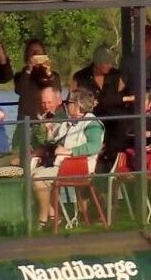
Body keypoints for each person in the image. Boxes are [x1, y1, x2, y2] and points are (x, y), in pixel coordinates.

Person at [31, 88, 104, 229]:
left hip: (78, 167)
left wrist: (69, 151)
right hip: (62, 165)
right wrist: (47, 129)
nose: (66, 105)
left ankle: (43, 219)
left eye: (69, 102)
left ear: (78, 105)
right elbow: (51, 142)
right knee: (32, 174)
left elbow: (94, 146)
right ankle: (53, 216)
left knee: (39, 180)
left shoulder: (92, 124)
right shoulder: (69, 122)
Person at [72, 45, 131, 172]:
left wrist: (120, 100)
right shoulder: (81, 76)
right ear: (97, 63)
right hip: (90, 120)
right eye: (107, 63)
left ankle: (114, 166)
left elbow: (124, 95)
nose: (110, 66)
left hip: (114, 122)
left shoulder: (116, 75)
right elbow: (73, 98)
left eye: (111, 63)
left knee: (122, 126)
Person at [14, 38, 62, 120]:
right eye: (32, 52)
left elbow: (57, 92)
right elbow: (20, 90)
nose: (35, 54)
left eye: (38, 52)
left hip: (48, 117)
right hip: (28, 118)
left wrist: (49, 73)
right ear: (27, 56)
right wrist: (29, 69)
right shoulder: (20, 76)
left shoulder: (53, 75)